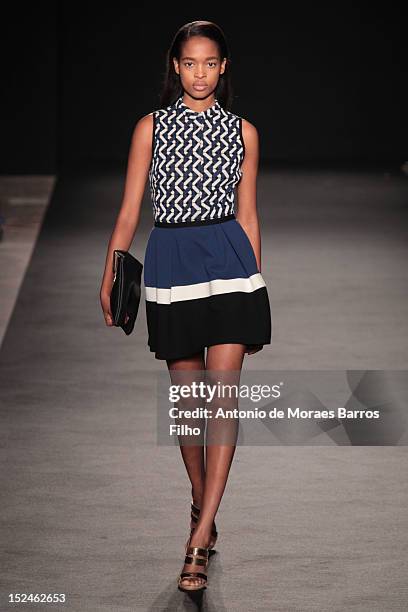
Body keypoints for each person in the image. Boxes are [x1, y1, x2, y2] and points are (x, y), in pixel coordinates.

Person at [100, 20, 272, 592]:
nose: (200, 73)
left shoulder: (244, 132)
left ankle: (198, 540)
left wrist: (256, 281)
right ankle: (203, 505)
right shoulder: (150, 129)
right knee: (189, 404)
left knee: (221, 398)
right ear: (176, 66)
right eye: (190, 63)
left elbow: (248, 213)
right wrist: (112, 268)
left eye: (210, 63)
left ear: (224, 68)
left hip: (228, 260)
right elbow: (130, 208)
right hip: (172, 259)